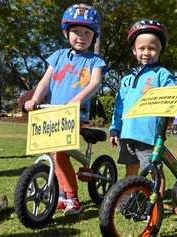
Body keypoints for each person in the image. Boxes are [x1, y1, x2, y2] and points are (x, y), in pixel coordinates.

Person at [24, 3, 106, 215]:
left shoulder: (94, 60)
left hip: (75, 115)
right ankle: (60, 195)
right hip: (52, 112)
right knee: (54, 155)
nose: (81, 36)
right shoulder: (58, 56)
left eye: (87, 32)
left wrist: (78, 99)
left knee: (60, 154)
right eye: (76, 31)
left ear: (93, 36)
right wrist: (34, 99)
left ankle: (72, 198)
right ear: (66, 32)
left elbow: (94, 83)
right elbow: (44, 82)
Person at [109, 19, 175, 198]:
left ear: (160, 50)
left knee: (154, 171)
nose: (147, 52)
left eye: (152, 48)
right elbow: (119, 106)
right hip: (128, 133)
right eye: (142, 48)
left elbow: (174, 95)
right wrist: (115, 129)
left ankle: (155, 204)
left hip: (148, 133)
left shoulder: (162, 74)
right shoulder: (127, 79)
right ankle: (126, 200)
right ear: (134, 50)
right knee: (131, 168)